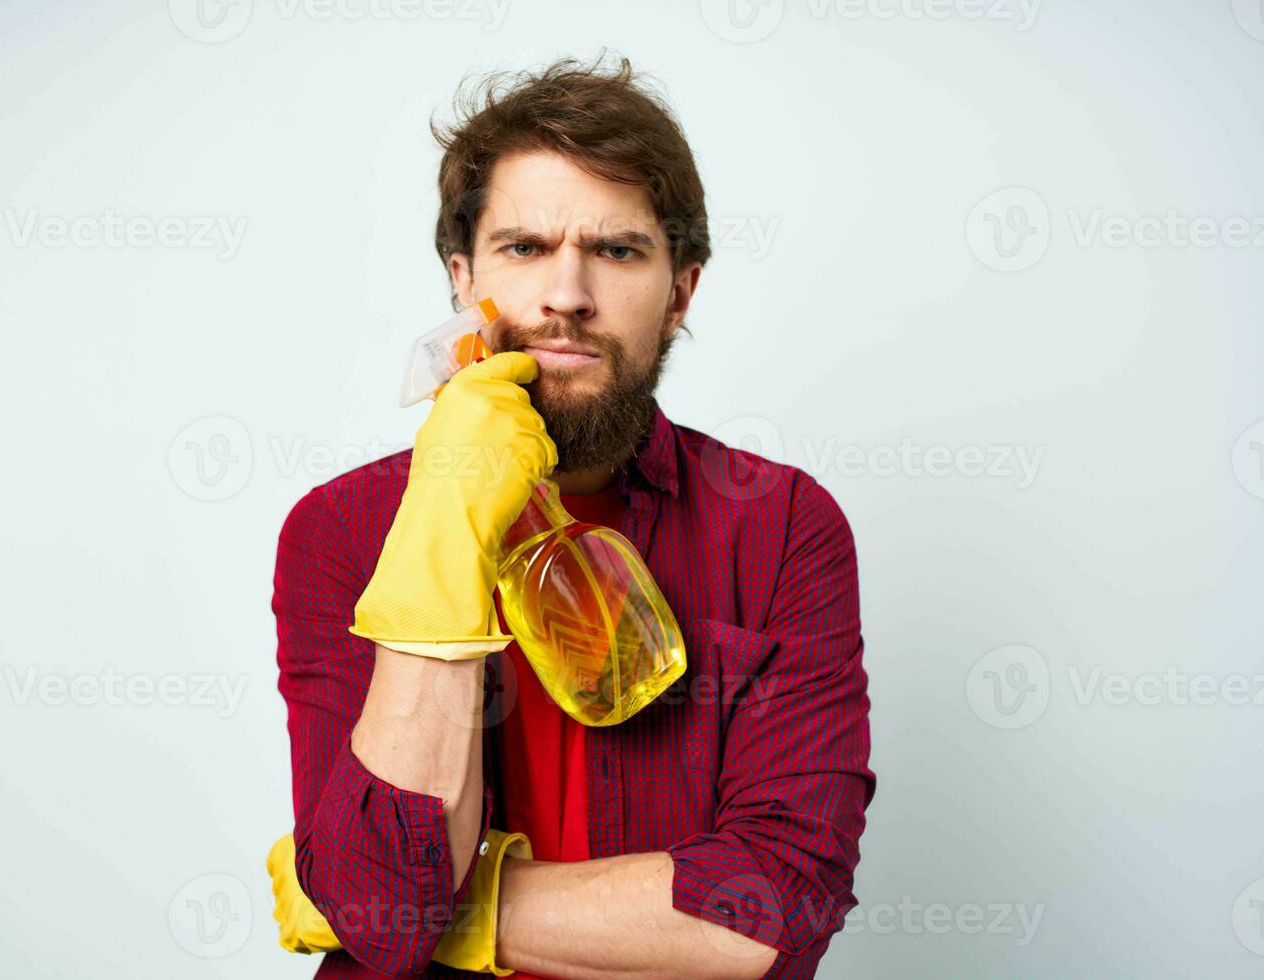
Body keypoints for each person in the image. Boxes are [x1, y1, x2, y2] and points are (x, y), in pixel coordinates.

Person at [267, 53, 875, 979]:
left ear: (680, 292)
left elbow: (776, 903)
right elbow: (383, 919)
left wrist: (443, 912)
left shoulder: (783, 524)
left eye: (618, 250)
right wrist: (444, 512)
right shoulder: (340, 530)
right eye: (524, 248)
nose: (566, 296)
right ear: (464, 282)